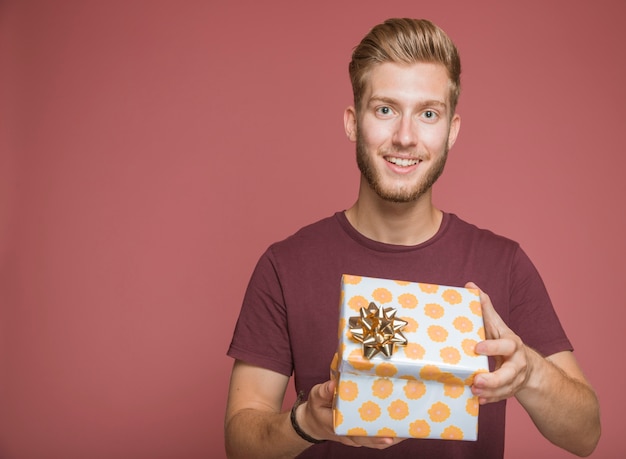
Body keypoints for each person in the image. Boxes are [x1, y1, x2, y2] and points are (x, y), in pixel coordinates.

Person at [224, 18, 600, 459]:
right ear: (352, 122)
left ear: (452, 130)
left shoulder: (505, 264)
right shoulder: (285, 266)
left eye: (428, 114)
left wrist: (530, 373)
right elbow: (240, 443)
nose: (405, 137)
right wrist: (305, 422)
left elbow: (586, 435)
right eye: (385, 109)